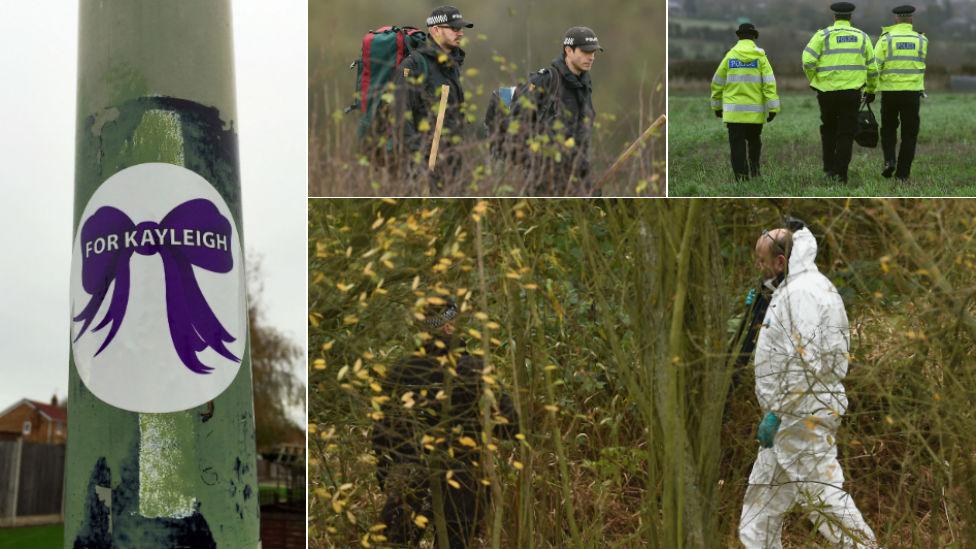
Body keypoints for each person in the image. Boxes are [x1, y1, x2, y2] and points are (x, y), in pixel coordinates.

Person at [739, 223, 878, 549]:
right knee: (759, 511)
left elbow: (806, 364)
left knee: (824, 500)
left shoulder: (801, 294)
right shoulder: (801, 287)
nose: (759, 268)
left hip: (801, 417)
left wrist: (777, 411)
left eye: (762, 261)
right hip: (791, 419)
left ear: (780, 261)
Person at [372, 299, 519, 549]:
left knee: (395, 543)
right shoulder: (473, 369)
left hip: (409, 475)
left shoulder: (399, 371)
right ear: (449, 327)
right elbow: (511, 426)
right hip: (460, 478)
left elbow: (381, 433)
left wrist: (385, 473)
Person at [508, 26, 602, 195]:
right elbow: (514, 126)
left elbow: (582, 138)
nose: (591, 57)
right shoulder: (544, 81)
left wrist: (586, 180)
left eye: (594, 52)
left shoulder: (585, 86)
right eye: (586, 51)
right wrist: (534, 164)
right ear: (568, 50)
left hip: (577, 182)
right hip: (544, 184)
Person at [394, 6, 473, 188]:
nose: (460, 33)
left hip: (451, 166)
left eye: (461, 29)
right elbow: (400, 119)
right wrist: (418, 163)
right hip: (422, 170)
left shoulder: (451, 66)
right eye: (454, 28)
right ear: (435, 30)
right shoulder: (413, 65)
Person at [801, 2, 878, 183]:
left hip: (826, 92)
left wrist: (814, 80)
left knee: (828, 130)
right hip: (851, 93)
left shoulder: (822, 35)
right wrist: (871, 89)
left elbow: (807, 61)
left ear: (834, 17)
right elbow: (872, 68)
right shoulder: (862, 37)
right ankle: (841, 174)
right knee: (846, 133)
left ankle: (828, 169)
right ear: (850, 17)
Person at [711, 23, 780, 181]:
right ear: (754, 36)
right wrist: (773, 108)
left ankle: (741, 178)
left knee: (737, 146)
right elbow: (769, 83)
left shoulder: (730, 57)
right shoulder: (761, 57)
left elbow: (717, 82)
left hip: (734, 114)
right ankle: (755, 172)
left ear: (739, 36)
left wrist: (717, 106)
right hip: (755, 113)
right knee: (754, 141)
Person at [875, 5, 927, 180]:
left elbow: (875, 67)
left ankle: (890, 160)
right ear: (911, 19)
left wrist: (871, 90)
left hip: (890, 93)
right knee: (909, 135)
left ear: (895, 19)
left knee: (888, 129)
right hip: (912, 94)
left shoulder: (885, 40)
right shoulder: (922, 40)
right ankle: (903, 175)